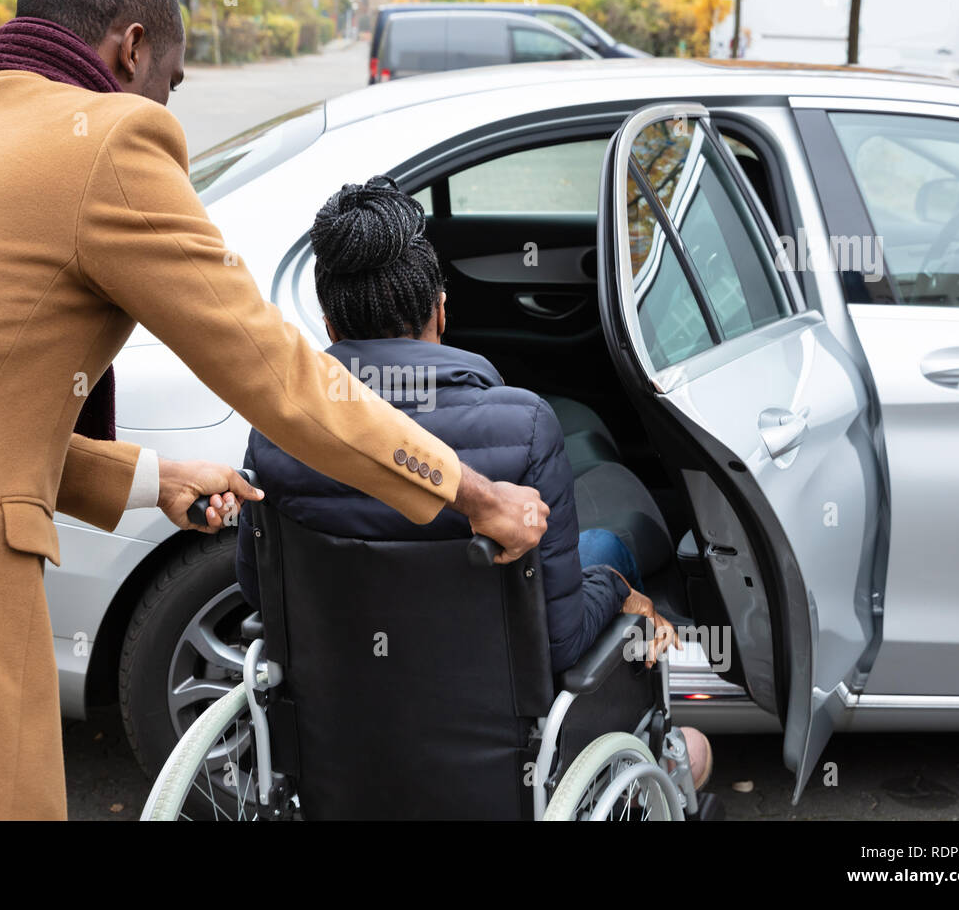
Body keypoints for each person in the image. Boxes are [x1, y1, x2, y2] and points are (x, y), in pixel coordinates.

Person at [0, 0, 548, 820]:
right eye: (172, 80)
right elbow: (280, 374)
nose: (167, 104)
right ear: (131, 49)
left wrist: (152, 480)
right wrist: (471, 490)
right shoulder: (107, 140)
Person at [236, 175, 713, 789]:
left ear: (330, 324)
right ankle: (666, 739)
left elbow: (259, 590)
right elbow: (562, 641)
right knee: (608, 558)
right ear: (439, 308)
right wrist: (619, 591)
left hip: (343, 741)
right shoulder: (524, 424)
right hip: (497, 750)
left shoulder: (275, 429)